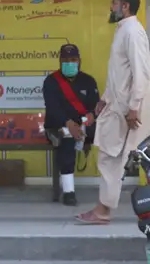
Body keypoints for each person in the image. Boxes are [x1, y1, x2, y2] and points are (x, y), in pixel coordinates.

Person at [76, 0, 150, 225]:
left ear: (125, 6)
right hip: (121, 106)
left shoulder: (132, 31)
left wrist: (134, 107)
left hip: (127, 110)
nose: (111, 7)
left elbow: (141, 73)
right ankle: (106, 209)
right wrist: (104, 99)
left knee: (112, 157)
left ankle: (103, 211)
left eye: (114, 3)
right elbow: (119, 75)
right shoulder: (124, 30)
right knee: (141, 157)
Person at [43, 43, 99, 207]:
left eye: (73, 59)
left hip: (84, 124)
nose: (70, 63)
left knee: (109, 132)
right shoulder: (51, 82)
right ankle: (69, 192)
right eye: (66, 60)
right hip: (57, 126)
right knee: (66, 137)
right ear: (60, 61)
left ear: (79, 60)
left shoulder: (88, 81)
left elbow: (95, 106)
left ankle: (112, 185)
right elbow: (53, 108)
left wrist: (92, 115)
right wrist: (68, 124)